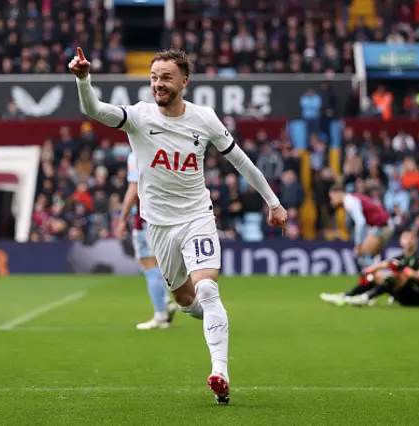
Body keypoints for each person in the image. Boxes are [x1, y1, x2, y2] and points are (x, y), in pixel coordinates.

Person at [69, 47, 287, 405]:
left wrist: (273, 202)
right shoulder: (138, 117)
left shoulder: (204, 119)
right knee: (186, 301)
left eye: (166, 77)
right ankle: (215, 320)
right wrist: (83, 78)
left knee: (207, 290)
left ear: (184, 81)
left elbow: (242, 162)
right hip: (158, 226)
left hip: (197, 216)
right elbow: (94, 109)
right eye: (154, 77)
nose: (158, 84)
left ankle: (220, 372)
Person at [116, 152, 178, 330]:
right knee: (152, 263)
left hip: (146, 218)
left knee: (149, 263)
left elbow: (134, 188)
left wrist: (122, 218)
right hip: (166, 213)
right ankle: (165, 302)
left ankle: (160, 315)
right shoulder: (164, 147)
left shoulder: (136, 153)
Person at [321, 229, 419, 307]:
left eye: (411, 239)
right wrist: (369, 271)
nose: (408, 241)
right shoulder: (400, 257)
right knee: (375, 275)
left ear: (416, 241)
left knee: (398, 275)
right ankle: (345, 296)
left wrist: (409, 272)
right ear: (400, 241)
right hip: (404, 297)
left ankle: (366, 297)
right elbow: (384, 264)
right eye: (405, 238)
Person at [328, 184, 394, 270]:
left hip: (382, 227)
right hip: (383, 226)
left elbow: (360, 222)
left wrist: (358, 243)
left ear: (339, 193)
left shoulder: (349, 201)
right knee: (371, 258)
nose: (331, 201)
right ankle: (379, 277)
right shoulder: (353, 198)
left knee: (363, 255)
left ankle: (382, 278)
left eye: (332, 197)